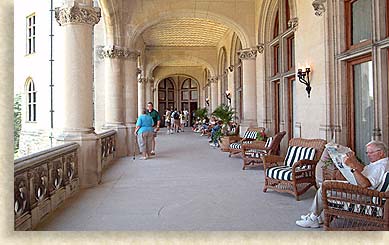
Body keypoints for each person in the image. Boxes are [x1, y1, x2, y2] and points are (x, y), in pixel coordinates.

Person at [296, 140, 389, 228]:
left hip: (364, 194)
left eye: (371, 153)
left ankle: (313, 218)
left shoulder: (380, 167)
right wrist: (353, 160)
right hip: (358, 189)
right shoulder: (378, 163)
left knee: (325, 189)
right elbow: (364, 171)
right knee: (326, 184)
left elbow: (365, 184)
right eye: (367, 153)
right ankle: (316, 216)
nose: (368, 155)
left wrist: (352, 167)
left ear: (380, 153)